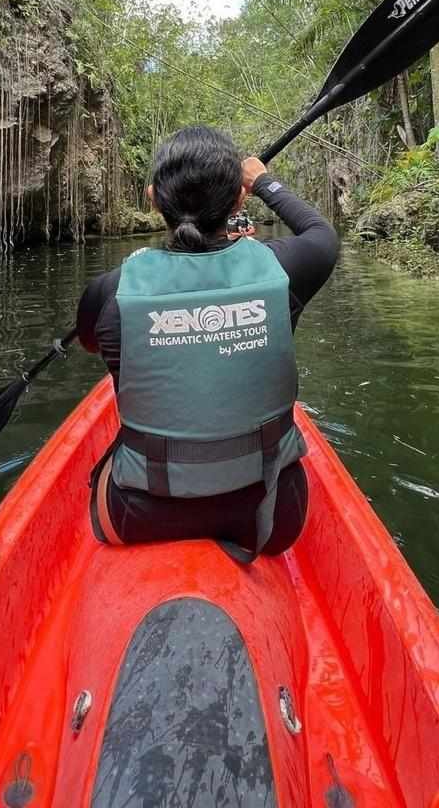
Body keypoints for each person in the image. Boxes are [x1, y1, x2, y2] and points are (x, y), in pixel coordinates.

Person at [77, 125, 339, 559]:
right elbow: (321, 234)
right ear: (238, 200)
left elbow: (91, 344)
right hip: (272, 519)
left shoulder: (110, 291)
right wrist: (263, 181)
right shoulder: (282, 269)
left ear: (153, 198)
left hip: (136, 516)